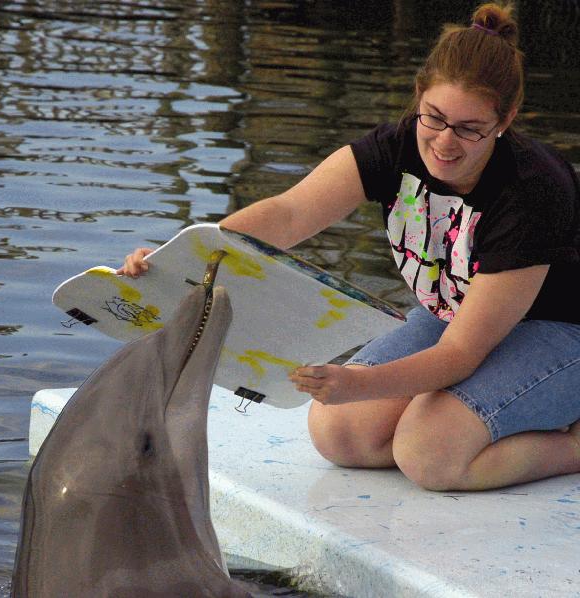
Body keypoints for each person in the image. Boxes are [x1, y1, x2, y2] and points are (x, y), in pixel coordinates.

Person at [118, 2, 580, 491]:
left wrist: (360, 382)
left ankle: (573, 443)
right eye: (435, 118)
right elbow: (289, 213)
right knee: (339, 432)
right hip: (459, 312)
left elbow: (463, 352)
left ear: (505, 118)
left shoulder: (531, 191)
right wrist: (179, 255)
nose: (446, 143)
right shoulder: (396, 147)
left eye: (469, 129)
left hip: (562, 327)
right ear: (418, 96)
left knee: (430, 453)